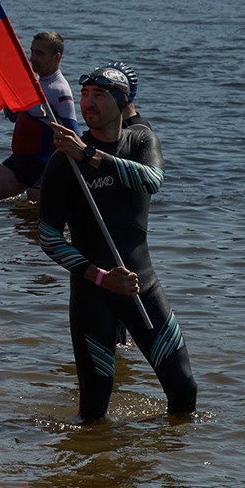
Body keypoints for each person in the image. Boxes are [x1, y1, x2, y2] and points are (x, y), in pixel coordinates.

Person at [37, 65, 196, 422]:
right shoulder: (64, 161)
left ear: (122, 102)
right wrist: (100, 276)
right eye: (85, 95)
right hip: (93, 293)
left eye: (100, 95)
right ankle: (95, 473)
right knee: (94, 410)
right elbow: (48, 237)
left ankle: (176, 472)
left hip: (144, 287)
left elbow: (152, 180)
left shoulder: (139, 141)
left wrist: (92, 157)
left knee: (184, 390)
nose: (88, 103)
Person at [0, 30, 79, 204]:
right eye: (32, 51)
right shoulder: (34, 84)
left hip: (43, 167)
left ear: (56, 57)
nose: (32, 58)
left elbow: (73, 133)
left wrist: (66, 171)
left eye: (40, 53)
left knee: (35, 223)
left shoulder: (59, 90)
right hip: (19, 163)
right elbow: (14, 116)